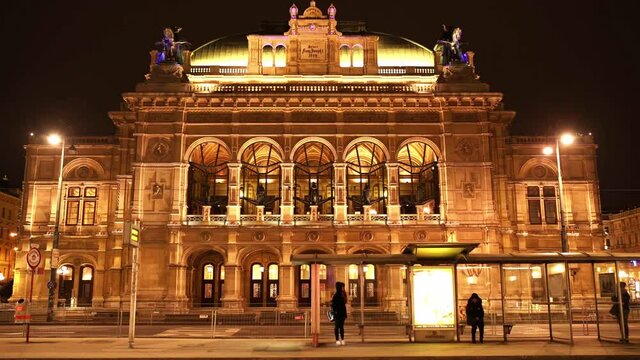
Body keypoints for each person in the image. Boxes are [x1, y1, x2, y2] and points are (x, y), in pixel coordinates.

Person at [331, 281, 348, 346]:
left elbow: (345, 302)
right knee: (337, 326)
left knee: (341, 327)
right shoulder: (336, 295)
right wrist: (335, 311)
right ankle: (337, 339)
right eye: (342, 287)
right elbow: (333, 304)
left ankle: (342, 339)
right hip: (337, 313)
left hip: (342, 313)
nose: (343, 288)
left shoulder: (343, 294)